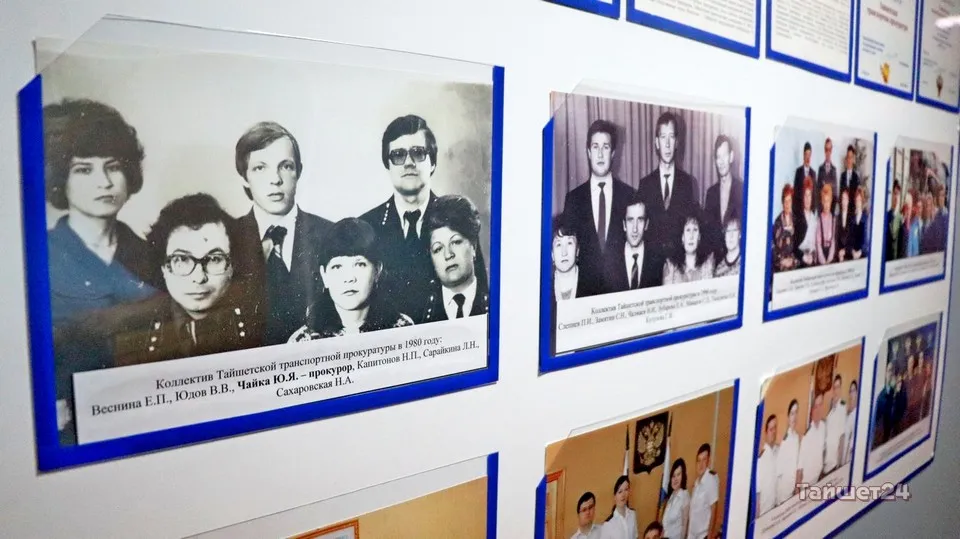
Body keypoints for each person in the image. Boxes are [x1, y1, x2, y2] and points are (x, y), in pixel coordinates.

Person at [53, 194, 261, 443]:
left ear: (232, 266)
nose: (198, 278)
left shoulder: (259, 322)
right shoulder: (123, 332)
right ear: (163, 267)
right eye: (181, 260)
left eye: (215, 259)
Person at [44, 98, 159, 326]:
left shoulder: (153, 253)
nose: (104, 182)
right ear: (60, 179)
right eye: (84, 170)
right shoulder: (42, 254)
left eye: (113, 167)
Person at [360, 114, 486, 322]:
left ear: (433, 163)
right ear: (388, 166)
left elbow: (478, 295)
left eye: (418, 153)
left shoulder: (457, 216)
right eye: (398, 155)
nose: (408, 163)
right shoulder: (367, 227)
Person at [232, 122, 333, 345]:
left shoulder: (330, 235)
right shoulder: (226, 240)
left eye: (285, 166)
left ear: (299, 172)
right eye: (260, 168)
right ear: (244, 177)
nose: (275, 179)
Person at [288, 218, 413, 340]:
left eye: (359, 264)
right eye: (337, 267)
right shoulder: (303, 340)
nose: (349, 278)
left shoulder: (402, 328)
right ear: (324, 275)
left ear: (377, 271)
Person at [562, 119, 635, 294]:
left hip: (620, 298)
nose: (600, 154)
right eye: (595, 147)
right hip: (584, 298)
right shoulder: (573, 199)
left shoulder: (630, 196)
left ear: (613, 153)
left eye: (606, 147)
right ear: (588, 152)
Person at [638, 112, 698, 263]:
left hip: (678, 266)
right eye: (663, 137)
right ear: (656, 142)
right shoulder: (645, 185)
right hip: (652, 267)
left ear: (677, 142)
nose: (667, 144)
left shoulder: (687, 183)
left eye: (671, 137)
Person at [418, 195, 489, 322]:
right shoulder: (420, 314)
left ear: (473, 246)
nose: (448, 255)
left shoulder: (496, 301)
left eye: (456, 242)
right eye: (438, 249)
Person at [602, 195, 661, 292]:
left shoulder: (658, 261)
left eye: (640, 220)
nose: (635, 229)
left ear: (646, 224)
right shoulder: (609, 261)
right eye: (630, 220)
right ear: (624, 225)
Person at [703, 135, 743, 261]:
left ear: (731, 157)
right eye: (718, 157)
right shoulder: (710, 193)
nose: (721, 162)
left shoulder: (742, 190)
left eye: (724, 156)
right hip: (715, 262)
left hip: (736, 261)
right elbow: (706, 233)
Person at [551, 215, 599, 300]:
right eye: (558, 245)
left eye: (569, 243)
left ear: (577, 250)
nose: (564, 253)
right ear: (552, 254)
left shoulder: (594, 285)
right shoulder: (543, 288)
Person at [662, 214, 715, 284]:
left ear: (699, 237)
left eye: (695, 230)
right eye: (688, 230)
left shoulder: (708, 264)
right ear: (682, 237)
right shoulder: (670, 266)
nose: (691, 236)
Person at [687, 444, 719, 539]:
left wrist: (710, 536)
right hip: (692, 535)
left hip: (703, 536)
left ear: (708, 461)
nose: (701, 464)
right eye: (699, 460)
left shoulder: (711, 480)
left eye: (704, 460)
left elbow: (714, 509)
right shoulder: (697, 482)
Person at [873, 361, 907, 446]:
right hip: (884, 442)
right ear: (885, 373)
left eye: (892, 371)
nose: (890, 374)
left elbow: (902, 414)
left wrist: (897, 394)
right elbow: (877, 423)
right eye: (889, 370)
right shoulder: (881, 397)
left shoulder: (901, 393)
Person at [775, 399, 801, 504]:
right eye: (792, 413)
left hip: (792, 491)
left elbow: (797, 465)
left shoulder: (796, 437)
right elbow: (778, 474)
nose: (794, 417)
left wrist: (796, 488)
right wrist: (779, 500)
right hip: (783, 495)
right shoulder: (784, 440)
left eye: (796, 412)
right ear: (788, 416)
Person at [799, 392, 826, 485]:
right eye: (816, 406)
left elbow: (823, 450)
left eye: (820, 405)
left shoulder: (823, 426)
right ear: (812, 410)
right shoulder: (806, 436)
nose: (818, 409)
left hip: (819, 478)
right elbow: (800, 468)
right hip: (808, 483)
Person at [661, 458, 690, 539]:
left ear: (683, 476)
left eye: (678, 474)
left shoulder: (685, 496)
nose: (675, 479)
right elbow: (665, 525)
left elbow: (685, 526)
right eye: (673, 476)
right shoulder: (671, 497)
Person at [755, 414, 778, 517]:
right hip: (764, 514)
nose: (773, 432)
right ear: (766, 433)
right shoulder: (761, 459)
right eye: (771, 429)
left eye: (775, 428)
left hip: (774, 511)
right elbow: (757, 495)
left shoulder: (776, 453)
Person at [824, 375, 847, 475]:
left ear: (840, 388)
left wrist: (839, 463)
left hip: (834, 461)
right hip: (827, 459)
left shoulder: (842, 406)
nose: (836, 390)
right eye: (834, 387)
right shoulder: (831, 407)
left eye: (838, 387)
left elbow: (842, 436)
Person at [772, 184, 798, 272]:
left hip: (793, 260)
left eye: (789, 201)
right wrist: (782, 261)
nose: (787, 204)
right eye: (785, 201)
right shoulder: (778, 221)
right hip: (781, 262)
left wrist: (792, 260)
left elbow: (797, 244)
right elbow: (775, 247)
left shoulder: (795, 219)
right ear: (782, 202)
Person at [796, 176, 818, 267]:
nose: (807, 199)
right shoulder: (798, 217)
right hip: (800, 260)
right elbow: (794, 246)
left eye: (809, 196)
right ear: (802, 197)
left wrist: (812, 255)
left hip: (811, 259)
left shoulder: (814, 218)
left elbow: (815, 243)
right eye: (805, 195)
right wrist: (803, 256)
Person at [815, 183, 837, 265]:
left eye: (828, 201)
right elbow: (818, 243)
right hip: (821, 256)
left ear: (831, 201)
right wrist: (823, 260)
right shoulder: (819, 220)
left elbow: (833, 240)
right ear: (822, 202)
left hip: (830, 256)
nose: (826, 204)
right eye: (825, 201)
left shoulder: (833, 219)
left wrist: (830, 258)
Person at [792, 142, 815, 217]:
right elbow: (795, 194)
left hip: (809, 214)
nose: (808, 157)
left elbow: (814, 196)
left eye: (809, 155)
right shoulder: (798, 172)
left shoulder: (813, 173)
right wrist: (795, 213)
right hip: (799, 213)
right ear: (803, 155)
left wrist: (812, 213)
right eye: (806, 154)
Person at [818, 138, 838, 214]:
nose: (828, 152)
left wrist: (832, 212)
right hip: (822, 210)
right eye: (826, 149)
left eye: (829, 150)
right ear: (824, 151)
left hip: (831, 209)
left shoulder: (834, 169)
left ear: (831, 150)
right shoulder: (820, 169)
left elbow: (835, 194)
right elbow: (818, 191)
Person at [839, 145, 860, 215]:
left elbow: (856, 195)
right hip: (843, 211)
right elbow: (840, 194)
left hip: (852, 212)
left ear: (853, 159)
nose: (849, 160)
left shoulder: (856, 177)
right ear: (846, 159)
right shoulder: (842, 176)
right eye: (848, 157)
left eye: (851, 157)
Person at [885, 181, 903, 260]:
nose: (896, 197)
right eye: (895, 194)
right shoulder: (886, 216)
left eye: (898, 194)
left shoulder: (901, 218)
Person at [849, 187, 869, 260]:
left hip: (863, 255)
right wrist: (852, 251)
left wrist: (860, 252)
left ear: (862, 202)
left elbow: (866, 240)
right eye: (857, 200)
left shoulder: (866, 218)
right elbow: (850, 239)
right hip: (853, 255)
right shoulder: (852, 219)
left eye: (859, 200)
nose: (858, 203)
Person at [900, 192, 921, 258]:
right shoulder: (902, 228)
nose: (908, 211)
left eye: (909, 207)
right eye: (906, 207)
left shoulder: (917, 223)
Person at [835, 189, 852, 262]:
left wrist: (845, 251)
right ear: (841, 201)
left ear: (848, 201)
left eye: (846, 199)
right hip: (838, 255)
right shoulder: (837, 218)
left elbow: (852, 239)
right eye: (843, 199)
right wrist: (839, 252)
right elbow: (836, 238)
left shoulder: (852, 217)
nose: (844, 201)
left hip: (849, 254)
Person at [845, 380, 859, 465]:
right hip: (845, 457)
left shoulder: (858, 414)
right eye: (850, 391)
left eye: (853, 391)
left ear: (857, 393)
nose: (851, 394)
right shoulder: (848, 414)